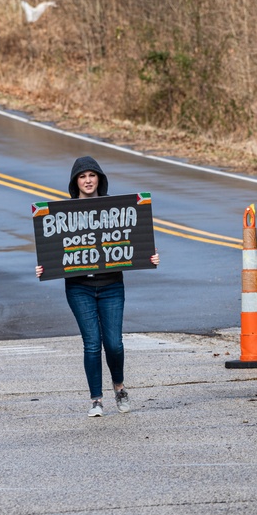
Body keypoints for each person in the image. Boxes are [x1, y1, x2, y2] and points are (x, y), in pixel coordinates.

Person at [36, 156, 160, 417]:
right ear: (75, 182)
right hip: (79, 288)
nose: (88, 180)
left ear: (99, 179)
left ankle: (120, 387)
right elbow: (53, 249)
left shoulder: (116, 208)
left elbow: (133, 242)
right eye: (82, 176)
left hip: (112, 286)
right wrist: (45, 267)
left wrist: (150, 255)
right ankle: (96, 399)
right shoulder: (63, 213)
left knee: (114, 344)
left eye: (92, 175)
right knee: (92, 343)